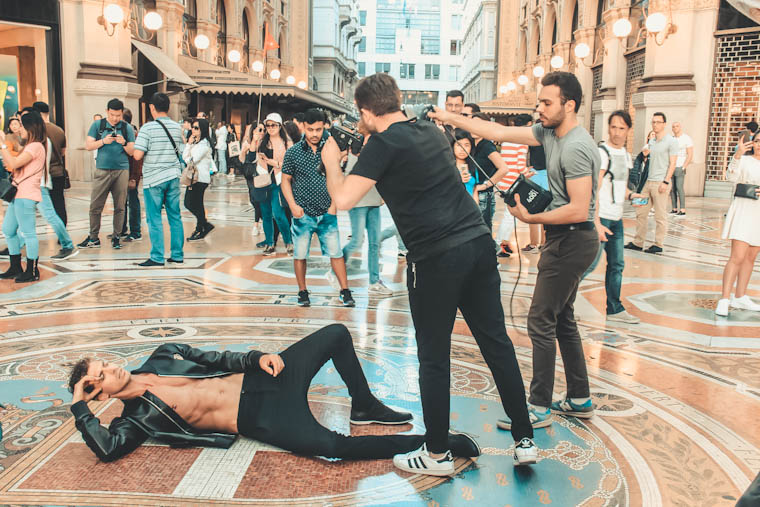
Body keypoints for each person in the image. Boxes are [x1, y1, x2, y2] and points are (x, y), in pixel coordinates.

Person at [322, 73, 537, 476]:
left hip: (436, 259)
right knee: (496, 344)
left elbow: (342, 200)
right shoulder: (430, 132)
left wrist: (334, 162)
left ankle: (436, 453)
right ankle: (524, 439)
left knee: (434, 356)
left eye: (359, 113)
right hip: (477, 243)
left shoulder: (382, 144)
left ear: (366, 110)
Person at [431, 71, 600, 433]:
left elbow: (579, 208)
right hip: (564, 237)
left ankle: (538, 405)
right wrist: (449, 118)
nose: (539, 108)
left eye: (546, 103)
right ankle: (580, 398)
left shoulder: (576, 146)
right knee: (562, 319)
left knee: (540, 319)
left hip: (572, 239)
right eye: (539, 102)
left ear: (569, 105)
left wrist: (531, 216)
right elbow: (499, 133)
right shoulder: (548, 132)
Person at [66, 323, 482, 464]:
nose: (111, 369)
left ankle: (364, 404)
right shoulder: (132, 421)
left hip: (265, 379)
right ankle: (433, 442)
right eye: (100, 377)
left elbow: (215, 357)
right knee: (332, 448)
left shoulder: (162, 355)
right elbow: (108, 451)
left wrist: (256, 357)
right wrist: (79, 406)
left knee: (336, 334)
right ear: (98, 395)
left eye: (104, 364)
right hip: (259, 419)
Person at [281, 108, 355, 308]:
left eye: (319, 129)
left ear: (325, 128)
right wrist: (293, 206)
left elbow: (337, 178)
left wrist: (333, 206)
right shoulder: (293, 152)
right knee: (300, 254)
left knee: (336, 253)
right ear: (303, 127)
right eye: (311, 129)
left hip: (327, 212)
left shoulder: (330, 149)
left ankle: (345, 291)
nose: (314, 134)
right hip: (302, 212)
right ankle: (302, 291)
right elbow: (285, 181)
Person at [583, 111, 641, 324]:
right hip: (602, 218)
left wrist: (632, 195)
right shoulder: (603, 153)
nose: (616, 132)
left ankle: (615, 308)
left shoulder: (625, 155)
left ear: (628, 130)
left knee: (617, 264)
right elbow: (595, 188)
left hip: (616, 219)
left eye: (621, 128)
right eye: (613, 127)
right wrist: (596, 222)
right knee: (589, 263)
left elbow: (620, 186)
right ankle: (558, 300)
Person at [132, 92, 185, 267]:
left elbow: (138, 155)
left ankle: (156, 256)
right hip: (173, 177)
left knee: (154, 218)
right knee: (175, 216)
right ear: (168, 107)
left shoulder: (147, 128)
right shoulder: (177, 128)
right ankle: (177, 254)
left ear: (152, 108)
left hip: (154, 179)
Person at [342, 124, 392, 296]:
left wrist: (383, 196)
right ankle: (336, 270)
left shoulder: (378, 151)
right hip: (357, 203)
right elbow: (348, 176)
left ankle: (374, 281)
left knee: (374, 243)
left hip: (373, 202)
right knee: (356, 241)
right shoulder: (354, 153)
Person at [715, 133, 760, 317]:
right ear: (752, 143)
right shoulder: (745, 161)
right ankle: (725, 298)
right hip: (744, 209)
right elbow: (730, 177)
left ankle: (740, 296)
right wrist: (737, 155)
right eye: (757, 141)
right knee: (737, 256)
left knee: (750, 256)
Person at [0, 111, 47, 282]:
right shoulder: (30, 145)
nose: (19, 129)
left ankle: (32, 270)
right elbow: (12, 165)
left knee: (28, 233)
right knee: (8, 230)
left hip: (26, 195)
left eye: (21, 125)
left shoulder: (35, 146)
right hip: (18, 193)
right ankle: (15, 266)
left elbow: (12, 164)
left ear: (30, 127)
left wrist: (3, 144)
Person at [82, 98, 135, 250]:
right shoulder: (97, 125)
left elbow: (132, 152)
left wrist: (123, 143)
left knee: (120, 206)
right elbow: (88, 146)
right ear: (107, 112)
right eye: (112, 115)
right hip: (102, 170)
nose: (115, 118)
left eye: (118, 115)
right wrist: (103, 141)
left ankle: (117, 236)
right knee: (95, 206)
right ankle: (93, 237)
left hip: (121, 170)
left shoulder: (127, 128)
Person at [625, 112, 677, 254]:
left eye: (658, 122)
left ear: (664, 124)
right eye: (653, 122)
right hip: (648, 182)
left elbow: (673, 163)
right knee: (641, 212)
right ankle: (638, 241)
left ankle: (658, 243)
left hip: (661, 182)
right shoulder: (651, 142)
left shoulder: (671, 141)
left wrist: (666, 181)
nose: (655, 125)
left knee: (660, 215)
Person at [244, 113, 293, 255]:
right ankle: (270, 243)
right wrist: (254, 140)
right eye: (268, 125)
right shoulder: (261, 141)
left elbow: (292, 165)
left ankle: (288, 241)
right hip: (262, 180)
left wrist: (274, 163)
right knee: (265, 214)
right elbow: (250, 157)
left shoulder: (287, 143)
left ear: (279, 126)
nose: (270, 128)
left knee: (278, 213)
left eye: (274, 125)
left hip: (278, 181)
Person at [469, 112, 509, 234]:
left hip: (484, 196)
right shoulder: (472, 145)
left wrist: (486, 185)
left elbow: (503, 168)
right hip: (473, 193)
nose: (474, 128)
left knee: (482, 232)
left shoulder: (487, 145)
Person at [33, 102, 68, 225]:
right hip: (58, 171)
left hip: (43, 173)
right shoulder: (58, 130)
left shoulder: (36, 130)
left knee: (41, 207)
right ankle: (63, 230)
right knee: (59, 202)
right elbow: (63, 152)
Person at [183, 118, 216, 241]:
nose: (193, 130)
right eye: (192, 127)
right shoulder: (196, 143)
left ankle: (202, 226)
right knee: (192, 203)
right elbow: (184, 156)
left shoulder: (205, 145)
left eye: (196, 128)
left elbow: (192, 160)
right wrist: (189, 144)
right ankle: (202, 226)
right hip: (193, 178)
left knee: (192, 203)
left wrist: (188, 153)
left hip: (200, 179)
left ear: (202, 129)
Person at [121, 109, 143, 242]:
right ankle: (121, 229)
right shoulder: (121, 135)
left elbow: (137, 159)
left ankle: (135, 231)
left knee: (133, 201)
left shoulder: (134, 135)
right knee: (121, 202)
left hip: (131, 174)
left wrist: (134, 177)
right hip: (121, 173)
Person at [670, 121, 693, 216]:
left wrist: (684, 166)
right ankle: (674, 208)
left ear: (680, 127)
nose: (675, 128)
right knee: (672, 188)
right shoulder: (671, 139)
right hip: (672, 166)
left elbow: (690, 154)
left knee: (679, 187)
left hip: (680, 166)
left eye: (677, 126)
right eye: (673, 126)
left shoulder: (686, 138)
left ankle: (682, 209)